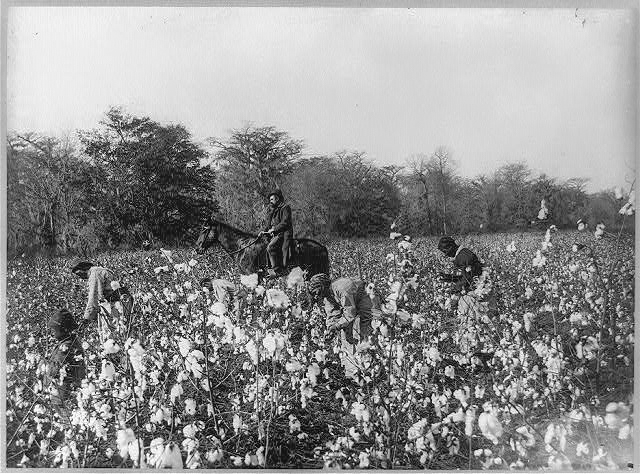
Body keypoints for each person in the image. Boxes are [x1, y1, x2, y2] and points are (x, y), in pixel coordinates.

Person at [305, 273, 383, 382]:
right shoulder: (328, 295)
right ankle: (353, 374)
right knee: (346, 336)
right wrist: (331, 328)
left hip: (368, 300)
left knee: (367, 333)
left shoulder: (342, 288)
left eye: (316, 292)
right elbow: (333, 314)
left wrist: (336, 326)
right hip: (356, 305)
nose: (316, 296)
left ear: (322, 286)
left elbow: (350, 314)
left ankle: (374, 371)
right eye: (313, 294)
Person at [69, 259, 133, 343]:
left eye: (78, 273)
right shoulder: (100, 270)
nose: (79, 276)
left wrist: (86, 319)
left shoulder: (95, 274)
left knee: (112, 339)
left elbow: (94, 298)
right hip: (122, 305)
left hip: (114, 307)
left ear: (83, 268)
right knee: (124, 333)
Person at [43, 309, 86, 407]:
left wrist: (45, 364)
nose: (52, 333)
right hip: (63, 396)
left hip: (63, 398)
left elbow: (56, 371)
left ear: (62, 329)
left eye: (54, 330)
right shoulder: (69, 343)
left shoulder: (66, 347)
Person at [259, 189, 293, 277]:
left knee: (271, 247)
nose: (270, 201)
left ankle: (277, 270)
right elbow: (268, 224)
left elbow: (285, 222)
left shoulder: (285, 207)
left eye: (272, 199)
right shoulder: (273, 210)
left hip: (283, 233)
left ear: (277, 199)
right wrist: (263, 231)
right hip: (275, 234)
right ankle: (267, 269)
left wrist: (274, 229)